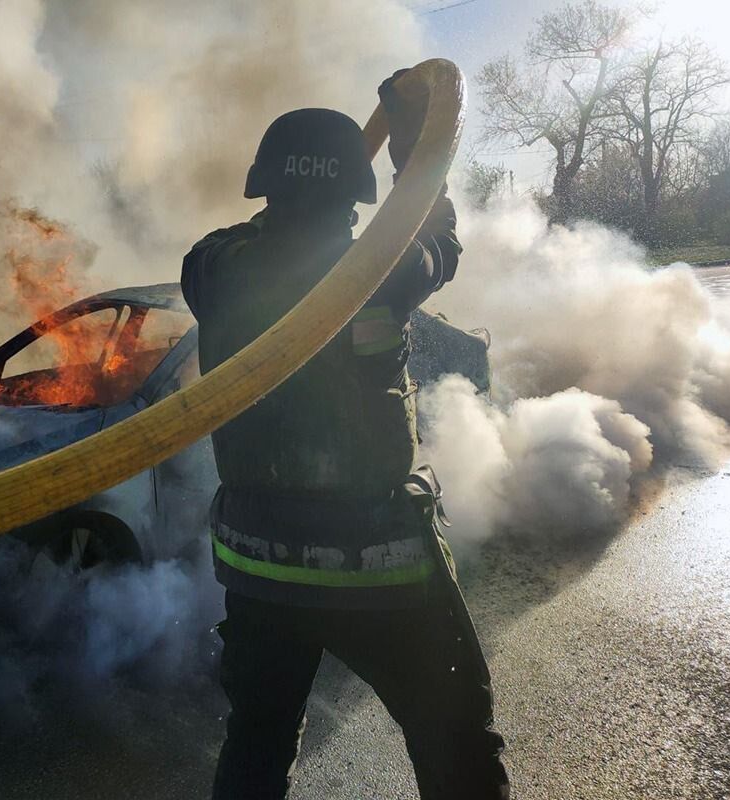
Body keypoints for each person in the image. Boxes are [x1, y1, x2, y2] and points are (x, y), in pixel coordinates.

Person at [180, 69, 511, 800]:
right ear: (353, 194)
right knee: (455, 738)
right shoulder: (380, 268)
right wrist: (411, 148)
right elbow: (436, 237)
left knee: (256, 745)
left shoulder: (210, 268)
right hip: (377, 563)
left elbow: (239, 244)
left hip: (259, 567)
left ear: (264, 183)